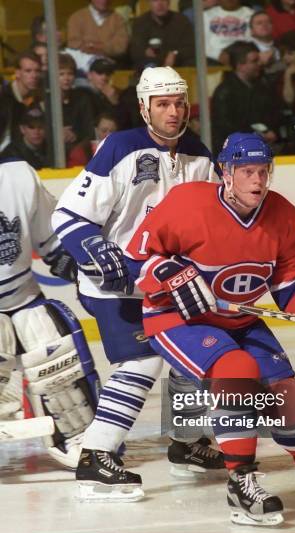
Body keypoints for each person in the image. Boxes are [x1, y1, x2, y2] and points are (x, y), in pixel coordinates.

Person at [126, 132, 295, 526]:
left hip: (239, 318)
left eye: (263, 171)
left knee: (289, 393)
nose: (257, 180)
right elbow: (138, 259)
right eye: (247, 171)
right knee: (237, 371)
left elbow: (292, 280)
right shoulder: (187, 204)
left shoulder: (282, 214)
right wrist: (171, 273)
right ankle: (241, 481)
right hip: (176, 318)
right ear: (226, 172)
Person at [52, 67, 224, 502]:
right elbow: (68, 216)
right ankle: (95, 454)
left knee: (195, 353)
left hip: (165, 282)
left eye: (178, 102)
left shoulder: (199, 155)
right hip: (112, 285)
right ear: (144, 107)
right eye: (162, 104)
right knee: (143, 363)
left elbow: (206, 226)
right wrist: (93, 245)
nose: (173, 111)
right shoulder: (121, 147)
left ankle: (187, 444)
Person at [0, 155, 100, 470]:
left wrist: (92, 276)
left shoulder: (18, 175)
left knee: (46, 334)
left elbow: (56, 242)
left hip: (24, 299)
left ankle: (77, 433)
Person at [211, 41, 282, 155]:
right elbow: (224, 126)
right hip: (234, 150)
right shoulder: (225, 91)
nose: (260, 64)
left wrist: (272, 131)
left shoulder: (264, 87)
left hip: (264, 144)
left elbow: (275, 113)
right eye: (254, 61)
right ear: (240, 65)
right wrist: (253, 135)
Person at [130, 0, 195, 70]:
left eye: (164, 0)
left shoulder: (181, 21)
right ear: (149, 3)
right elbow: (134, 50)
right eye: (155, 1)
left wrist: (175, 54)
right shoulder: (140, 23)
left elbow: (190, 47)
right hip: (150, 68)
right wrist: (145, 52)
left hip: (178, 67)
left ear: (169, 2)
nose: (160, 4)